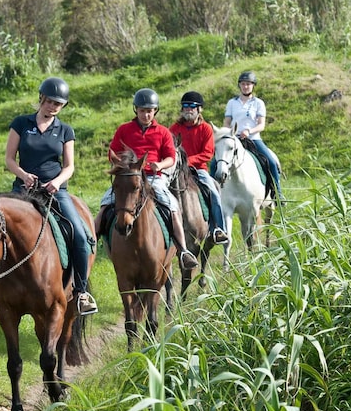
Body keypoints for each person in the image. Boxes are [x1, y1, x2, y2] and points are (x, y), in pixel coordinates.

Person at [4, 76, 97, 315]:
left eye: (58, 104)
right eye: (49, 101)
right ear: (41, 99)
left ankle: (82, 292)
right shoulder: (21, 123)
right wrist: (23, 175)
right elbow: (9, 160)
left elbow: (69, 166)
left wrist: (56, 182)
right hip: (24, 190)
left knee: (77, 232)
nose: (52, 107)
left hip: (55, 190)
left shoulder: (65, 130)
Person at [94, 88, 200, 271]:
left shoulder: (163, 132)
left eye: (149, 111)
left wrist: (159, 165)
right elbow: (112, 153)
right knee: (105, 204)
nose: (146, 114)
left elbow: (171, 158)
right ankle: (91, 243)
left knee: (172, 206)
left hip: (153, 178)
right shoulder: (124, 129)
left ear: (155, 111)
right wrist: (121, 163)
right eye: (142, 110)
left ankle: (183, 251)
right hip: (129, 178)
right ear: (136, 110)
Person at [168, 91, 229, 245]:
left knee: (213, 191)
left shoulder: (206, 129)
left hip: (198, 169)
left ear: (199, 109)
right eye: (185, 106)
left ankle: (218, 229)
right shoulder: (174, 128)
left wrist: (187, 162)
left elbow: (208, 153)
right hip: (175, 170)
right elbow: (168, 149)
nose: (188, 109)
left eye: (192, 107)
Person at [223, 71, 282, 200]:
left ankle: (277, 193)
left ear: (253, 86)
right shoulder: (232, 103)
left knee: (271, 162)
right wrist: (230, 132)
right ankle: (216, 192)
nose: (245, 86)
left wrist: (249, 131)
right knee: (217, 162)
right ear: (239, 85)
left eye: (248, 84)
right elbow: (227, 121)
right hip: (235, 138)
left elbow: (261, 125)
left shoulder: (258, 103)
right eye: (243, 84)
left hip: (253, 139)